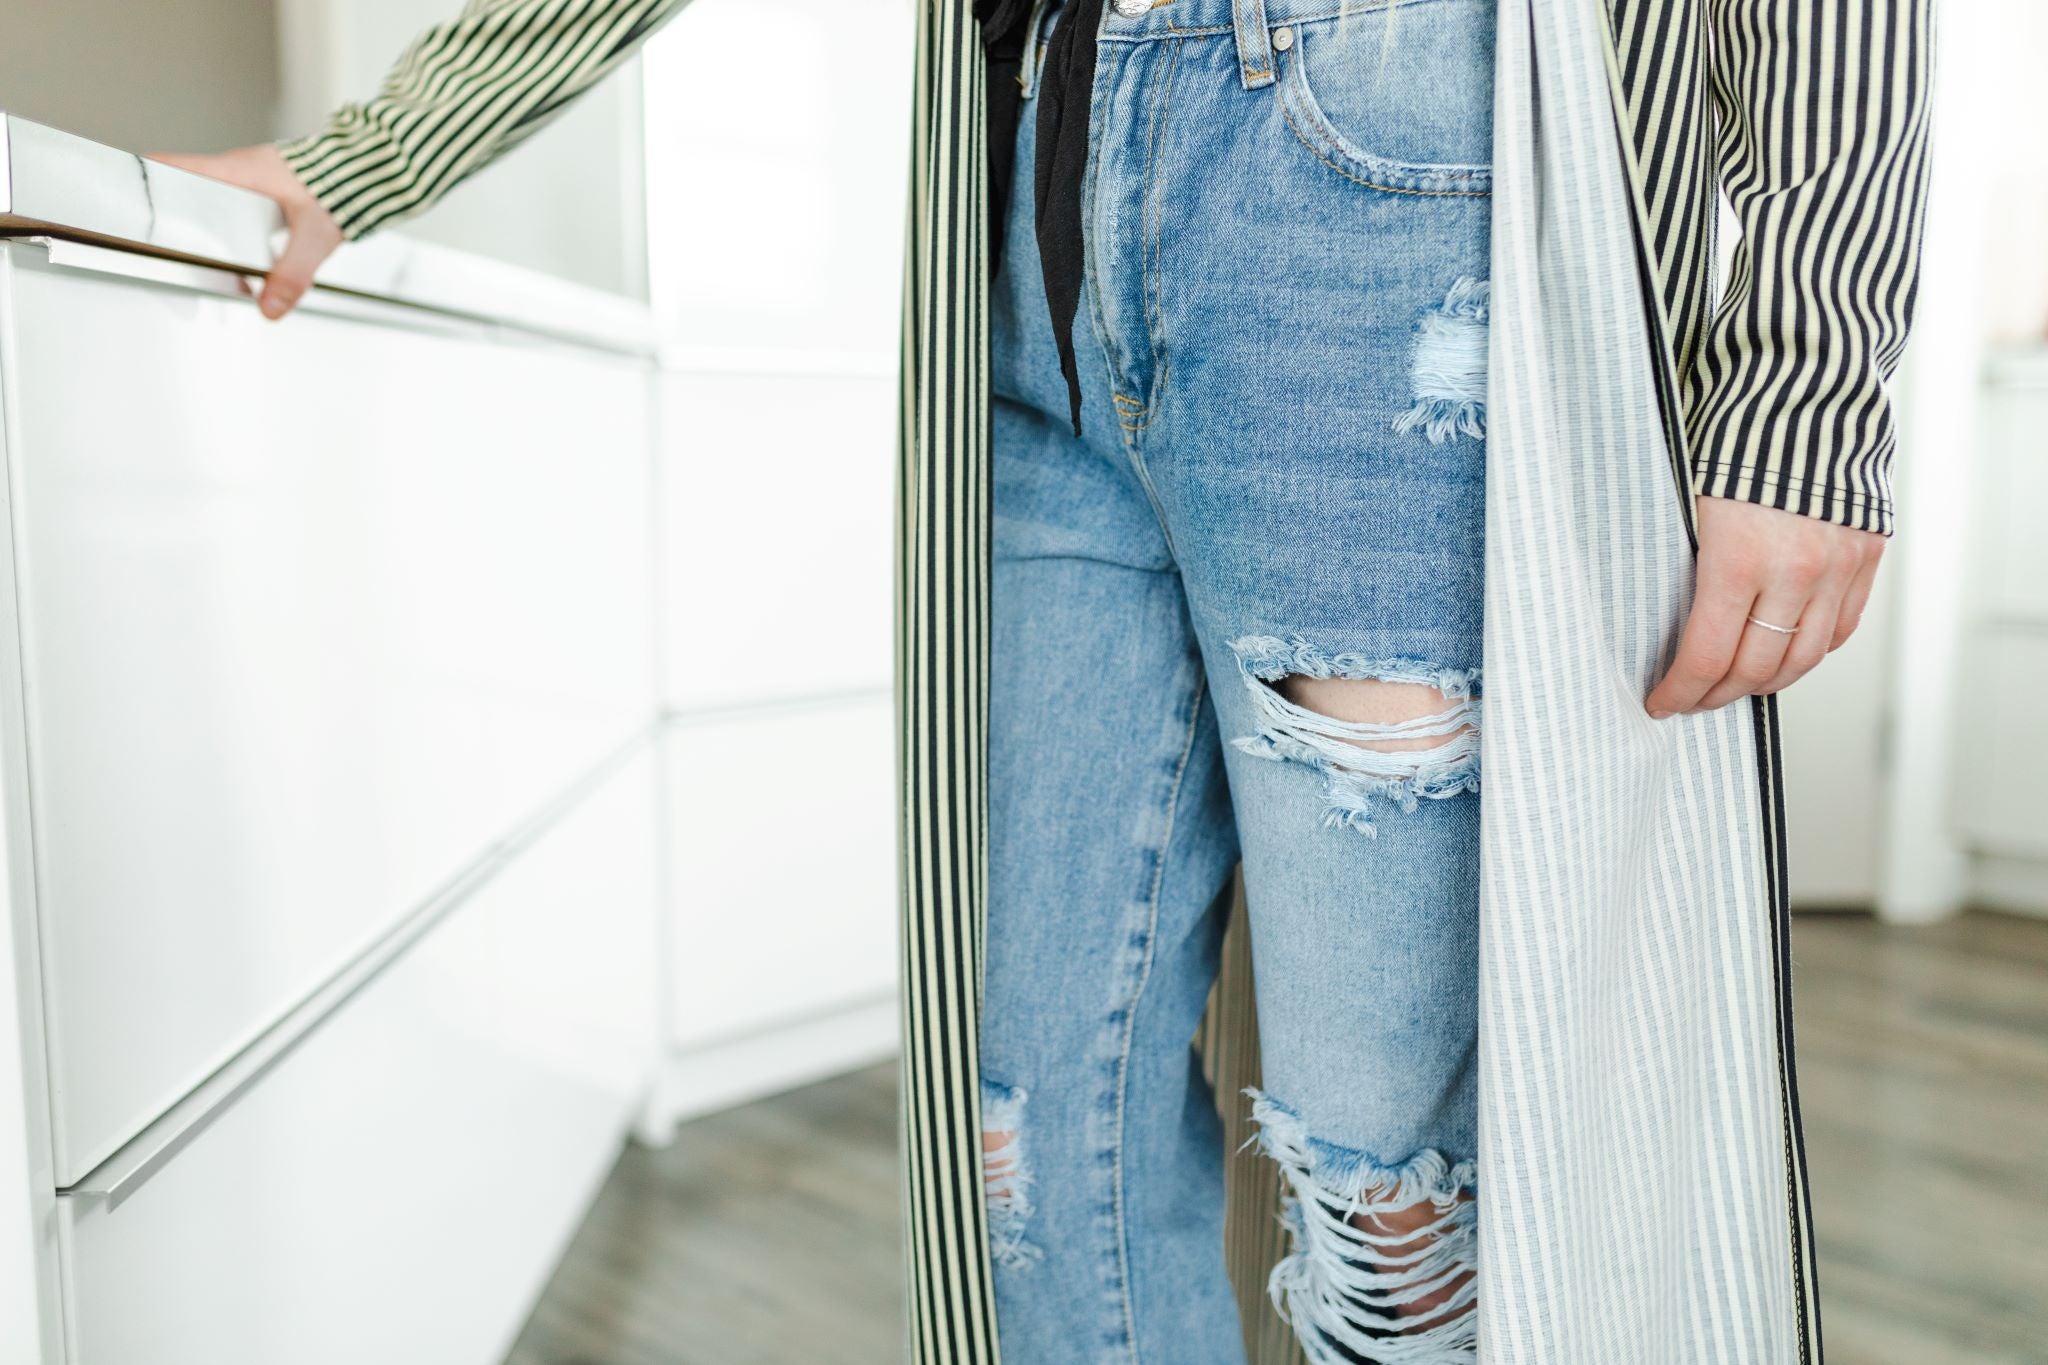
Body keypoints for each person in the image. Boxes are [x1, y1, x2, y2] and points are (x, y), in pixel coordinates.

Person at [161, 0, 1926, 1360]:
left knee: (1394, 1179)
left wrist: (1806, 361)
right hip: (1026, 199)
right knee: (1027, 1139)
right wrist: (360, 160)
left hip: (1380, 181)